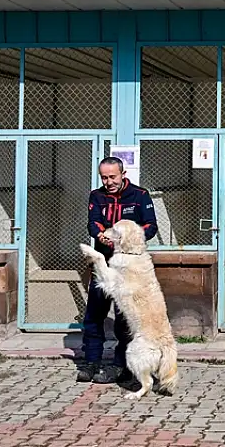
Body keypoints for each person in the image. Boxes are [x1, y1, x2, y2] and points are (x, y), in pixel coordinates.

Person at [78, 155, 158, 384]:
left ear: (123, 174)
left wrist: (127, 239)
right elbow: (93, 222)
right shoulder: (96, 196)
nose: (108, 181)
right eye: (104, 177)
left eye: (112, 176)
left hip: (128, 268)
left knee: (124, 319)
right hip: (103, 266)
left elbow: (150, 226)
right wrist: (99, 234)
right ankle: (92, 361)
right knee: (94, 315)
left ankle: (120, 365)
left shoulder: (140, 196)